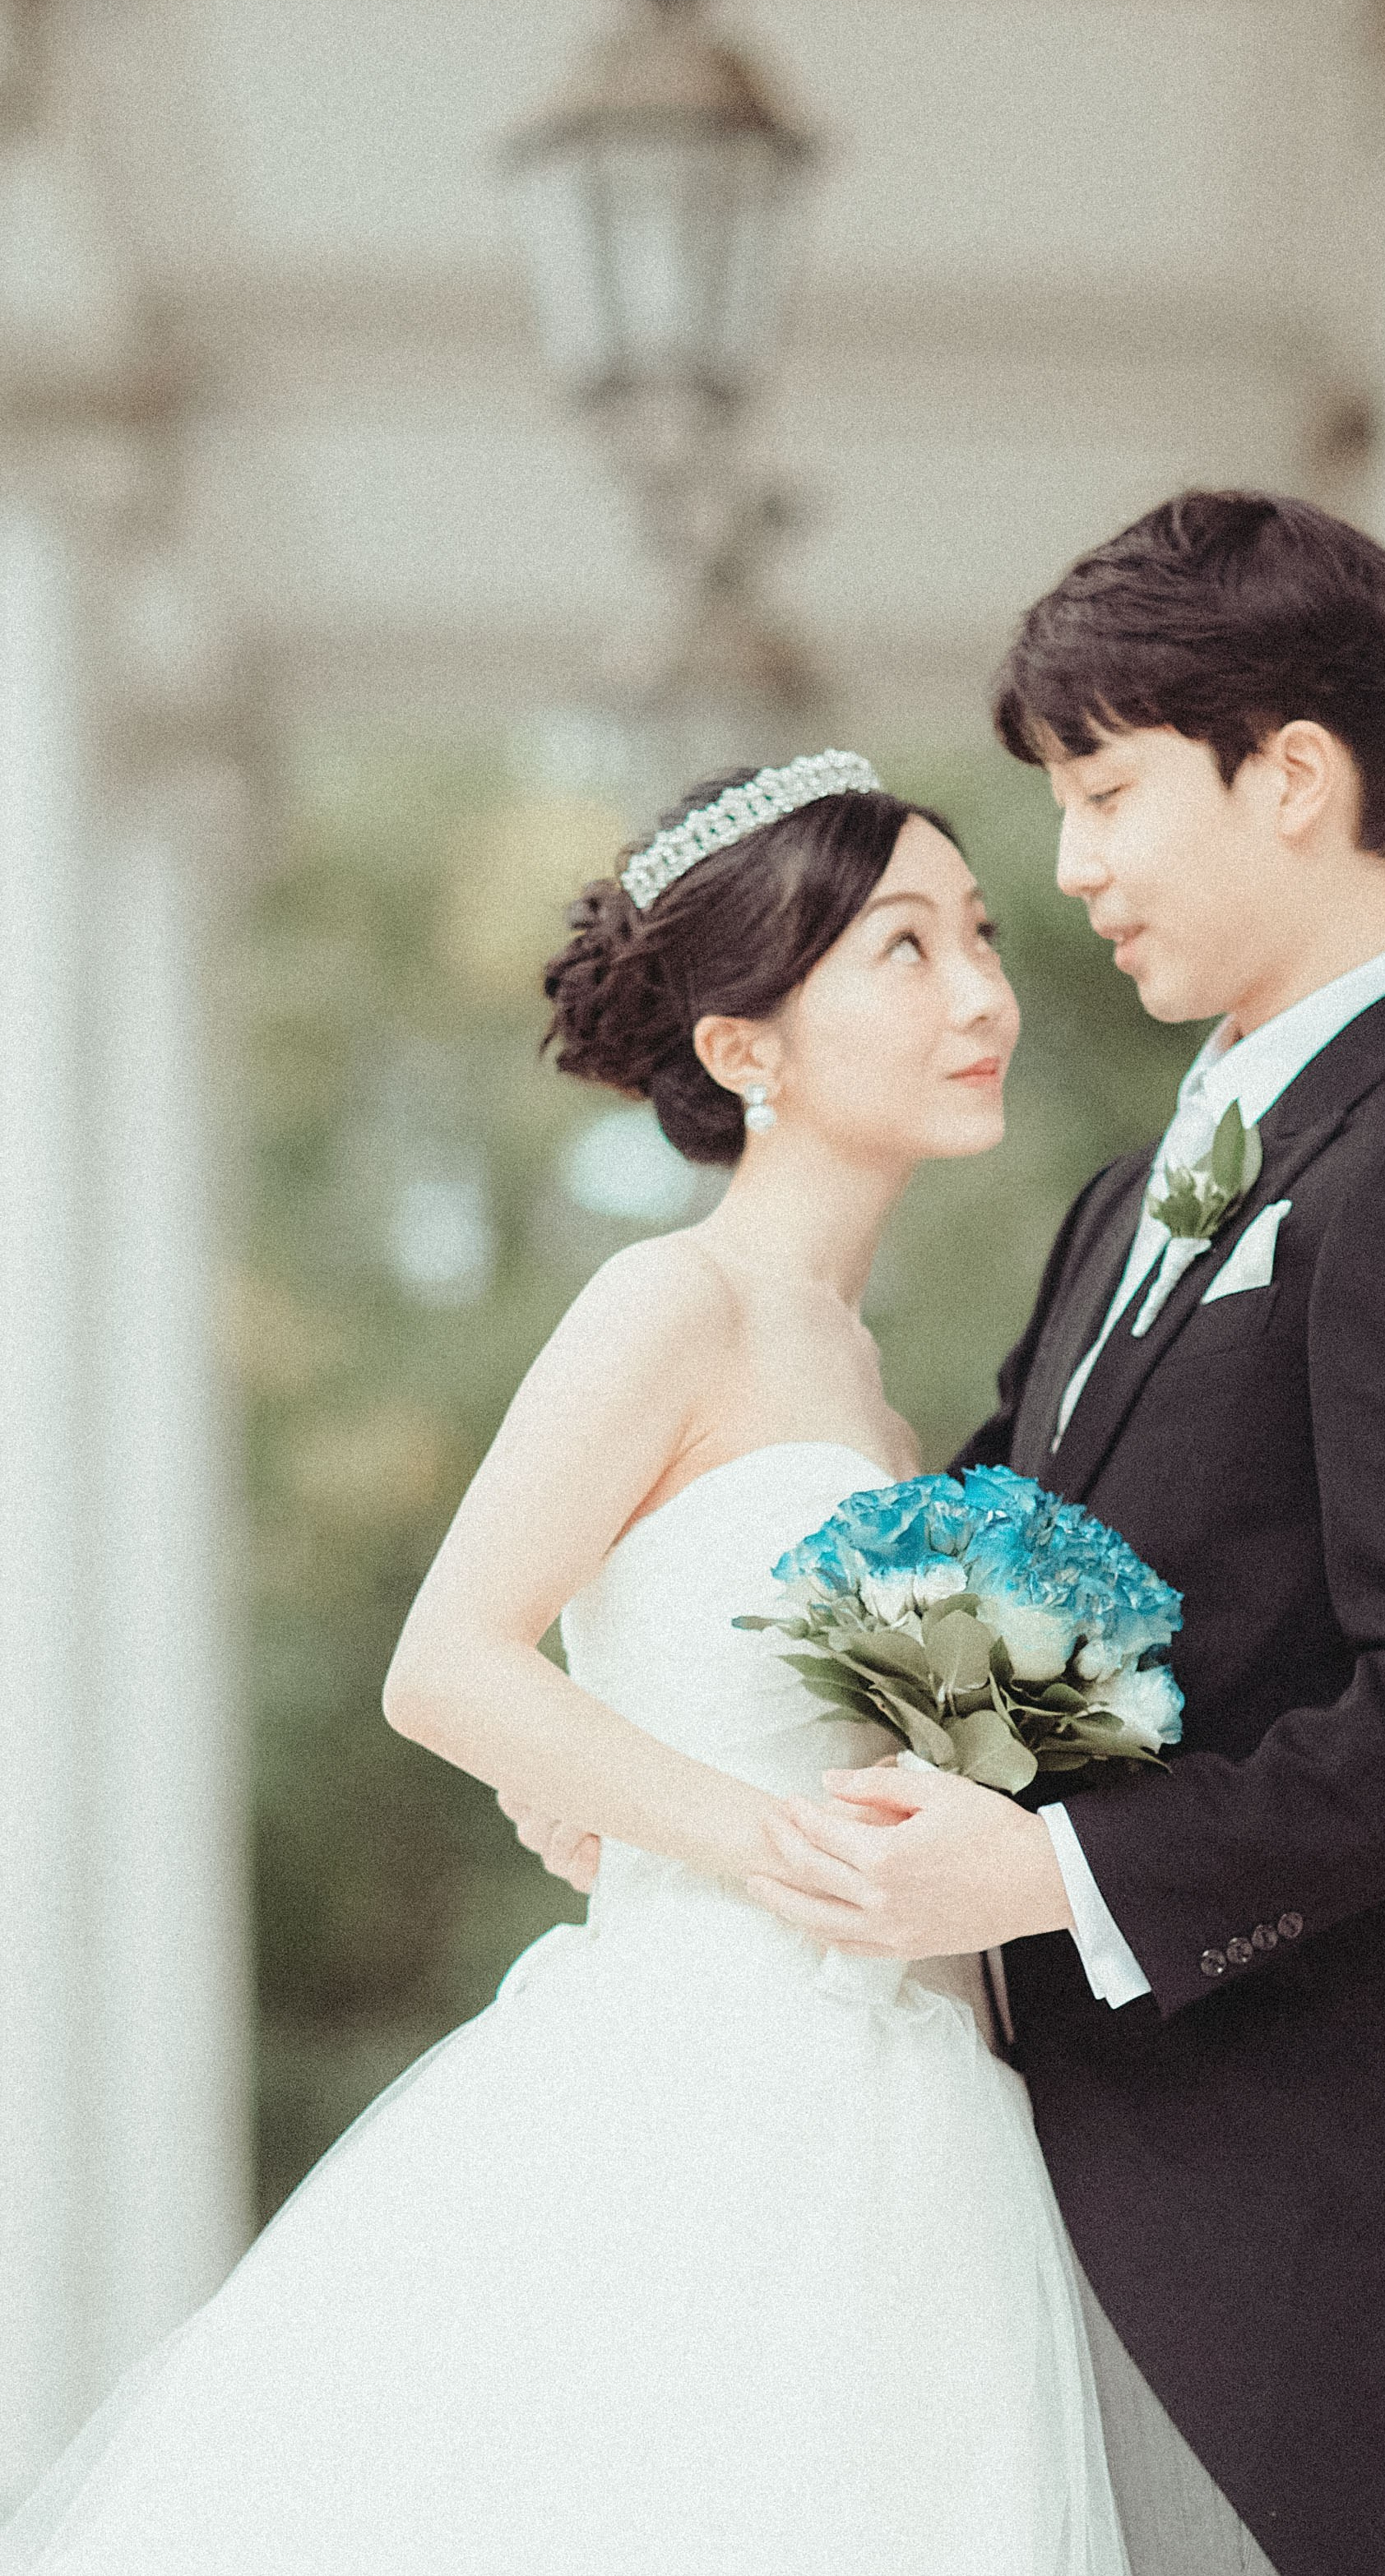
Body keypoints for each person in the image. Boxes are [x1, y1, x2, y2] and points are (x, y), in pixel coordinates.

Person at [0, 755, 1131, 2576]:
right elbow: (448, 1661)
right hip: (706, 2089)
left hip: (917, 2119)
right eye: (902, 953)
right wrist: (769, 1845)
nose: (982, 995)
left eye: (979, 940)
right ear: (747, 1047)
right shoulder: (667, 1306)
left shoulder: (873, 1386)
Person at [626, 494, 1385, 2576]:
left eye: (1101, 795)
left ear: (1289, 777)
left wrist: (1061, 1869)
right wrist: (706, 1778)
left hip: (1276, 2223)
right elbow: (968, 1588)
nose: (1066, 870)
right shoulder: (1126, 1193)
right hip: (1009, 2186)